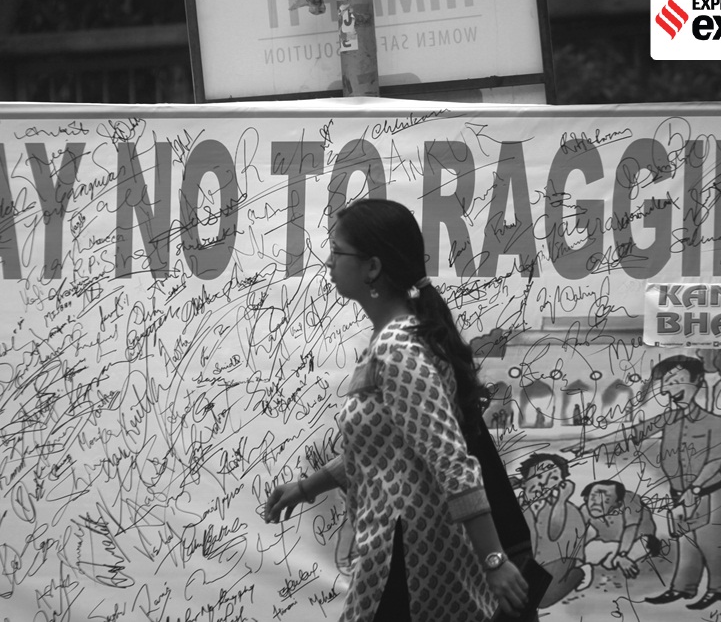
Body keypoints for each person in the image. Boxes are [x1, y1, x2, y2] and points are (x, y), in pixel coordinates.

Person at [262, 198, 530, 622]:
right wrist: (307, 487)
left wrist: (494, 560)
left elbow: (450, 460)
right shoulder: (400, 339)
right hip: (402, 555)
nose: (329, 262)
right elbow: (386, 447)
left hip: (406, 561)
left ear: (372, 267)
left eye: (338, 251)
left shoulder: (397, 349)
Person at [564, 355, 721, 610]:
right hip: (682, 495)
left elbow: (716, 460)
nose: (669, 388)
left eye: (677, 380)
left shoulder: (716, 423)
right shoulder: (670, 418)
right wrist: (592, 444)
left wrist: (695, 488)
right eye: (667, 382)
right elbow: (633, 432)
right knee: (686, 542)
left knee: (711, 542)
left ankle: (719, 589)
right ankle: (683, 588)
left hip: (712, 492)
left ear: (697, 381)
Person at [515, 453, 590, 605]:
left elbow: (559, 540)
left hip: (553, 567)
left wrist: (560, 502)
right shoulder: (509, 508)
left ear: (562, 484)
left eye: (554, 478)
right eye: (539, 475)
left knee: (543, 597)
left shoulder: (570, 511)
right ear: (524, 481)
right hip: (515, 567)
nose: (544, 483)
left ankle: (582, 572)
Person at [579, 479, 662, 583]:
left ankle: (613, 559)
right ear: (586, 498)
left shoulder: (631, 500)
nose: (597, 503)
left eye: (606, 499)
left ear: (617, 503)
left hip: (637, 542)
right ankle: (611, 560)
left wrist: (622, 555)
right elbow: (578, 534)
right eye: (593, 497)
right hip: (608, 544)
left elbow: (630, 530)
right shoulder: (584, 510)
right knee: (591, 550)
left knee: (644, 543)